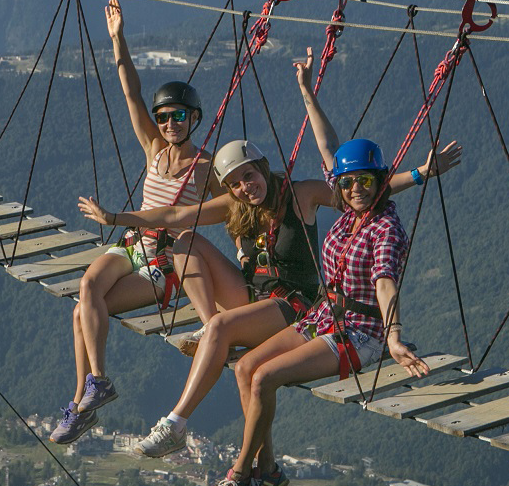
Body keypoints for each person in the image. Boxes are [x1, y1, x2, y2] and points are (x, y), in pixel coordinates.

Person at [123, 50, 459, 459]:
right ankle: (215, 334)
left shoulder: (302, 196)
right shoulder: (238, 204)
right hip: (253, 296)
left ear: (262, 167)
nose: (245, 187)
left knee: (233, 343)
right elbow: (177, 215)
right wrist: (119, 218)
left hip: (292, 303)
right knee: (186, 241)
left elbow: (358, 186)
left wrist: (421, 174)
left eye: (249, 175)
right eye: (235, 183)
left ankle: (177, 421)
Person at [204, 135, 428, 486]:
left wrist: (394, 337)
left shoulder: (385, 228)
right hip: (323, 316)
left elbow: (385, 283)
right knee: (244, 369)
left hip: (359, 332)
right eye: (347, 183)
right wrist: (308, 100)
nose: (355, 190)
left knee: (263, 378)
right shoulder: (351, 216)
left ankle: (240, 472)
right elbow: (328, 146)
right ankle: (268, 471)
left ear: (381, 181)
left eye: (365, 181)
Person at [49, 0, 227, 444]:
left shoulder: (205, 167)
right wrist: (118, 39)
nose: (168, 123)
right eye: (163, 117)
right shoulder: (154, 148)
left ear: (194, 119)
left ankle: (81, 402)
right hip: (131, 246)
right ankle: (96, 384)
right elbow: (130, 92)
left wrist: (244, 256)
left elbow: (232, 208)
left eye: (178, 116)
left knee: (83, 313)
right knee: (87, 288)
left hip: (163, 265)